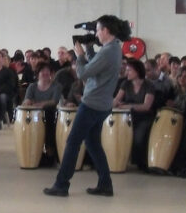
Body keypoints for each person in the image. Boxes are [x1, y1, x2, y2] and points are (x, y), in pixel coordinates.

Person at [43, 15, 129, 198]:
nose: (96, 33)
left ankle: (61, 184)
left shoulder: (108, 51)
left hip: (92, 104)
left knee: (73, 142)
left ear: (106, 31)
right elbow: (95, 68)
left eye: (97, 30)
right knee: (93, 143)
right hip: (102, 104)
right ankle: (105, 184)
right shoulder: (112, 49)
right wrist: (89, 48)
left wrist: (80, 54)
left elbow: (83, 73)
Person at [113, 58, 156, 170]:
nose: (126, 72)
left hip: (144, 117)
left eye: (129, 70)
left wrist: (127, 106)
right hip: (128, 117)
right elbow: (117, 100)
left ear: (137, 71)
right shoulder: (125, 83)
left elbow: (146, 106)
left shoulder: (149, 85)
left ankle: (140, 162)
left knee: (138, 136)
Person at [21, 64, 63, 167]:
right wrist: (27, 102)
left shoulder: (56, 86)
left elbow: (54, 102)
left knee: (49, 118)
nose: (45, 73)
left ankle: (50, 153)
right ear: (37, 74)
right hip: (35, 115)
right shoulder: (32, 86)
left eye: (47, 71)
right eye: (42, 71)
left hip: (50, 115)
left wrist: (39, 104)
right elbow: (27, 99)